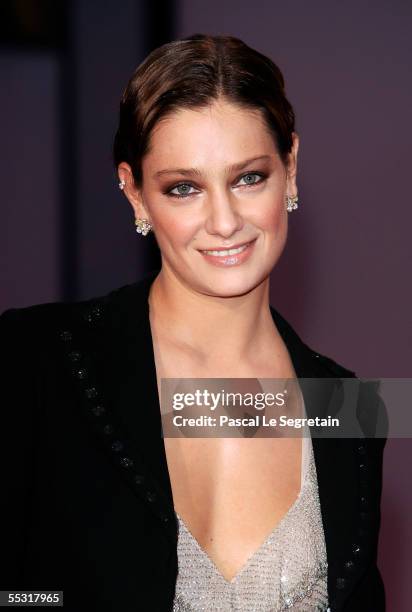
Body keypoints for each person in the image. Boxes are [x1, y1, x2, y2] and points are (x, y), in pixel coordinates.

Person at [0, 34, 386, 611]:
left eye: (248, 178)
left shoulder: (353, 406)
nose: (225, 221)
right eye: (184, 188)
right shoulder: (35, 359)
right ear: (134, 192)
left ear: (291, 167)